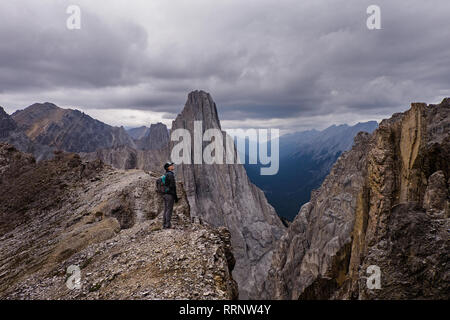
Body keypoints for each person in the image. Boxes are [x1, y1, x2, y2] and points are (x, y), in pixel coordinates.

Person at [162, 161, 179, 229]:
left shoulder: (165, 174)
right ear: (168, 168)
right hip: (169, 195)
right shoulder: (170, 175)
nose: (172, 166)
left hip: (165, 194)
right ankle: (167, 225)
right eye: (171, 165)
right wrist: (175, 197)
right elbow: (173, 186)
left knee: (166, 209)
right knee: (169, 210)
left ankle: (164, 224)